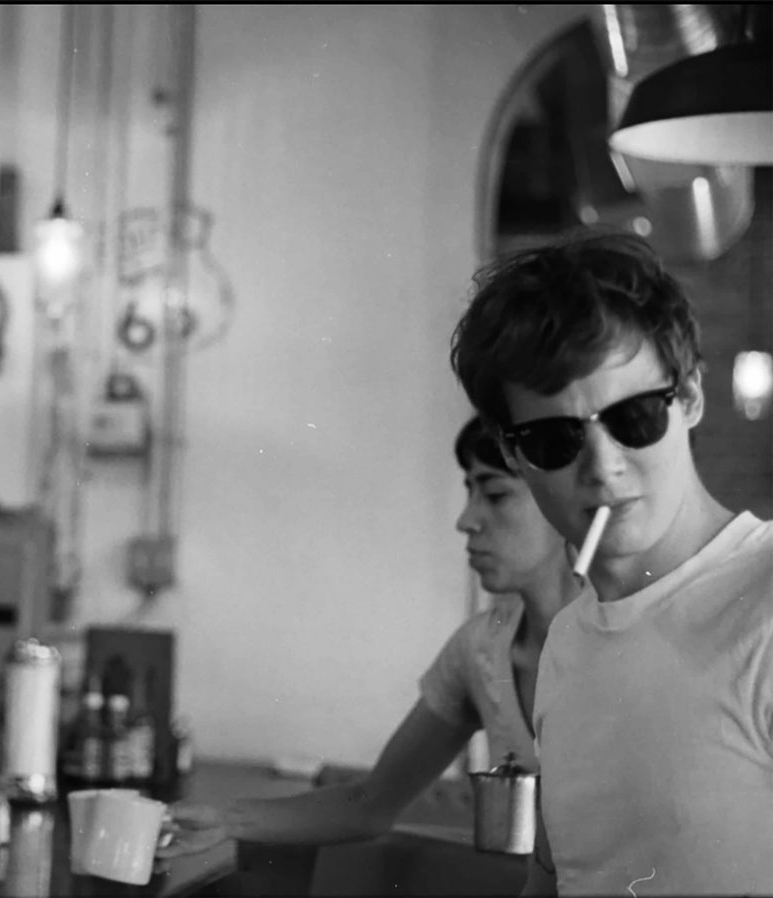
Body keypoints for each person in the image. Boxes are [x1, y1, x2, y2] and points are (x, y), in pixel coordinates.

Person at [449, 230, 773, 896]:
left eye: (633, 418)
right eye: (554, 438)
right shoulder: (569, 639)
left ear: (687, 399)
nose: (603, 468)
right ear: (514, 455)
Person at [158, 416, 584, 857]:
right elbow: (370, 804)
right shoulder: (480, 651)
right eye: (469, 491)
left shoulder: (629, 646)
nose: (466, 520)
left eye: (495, 495)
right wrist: (227, 821)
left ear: (563, 501)